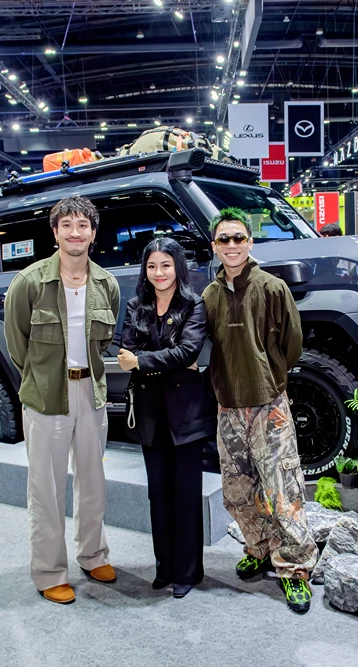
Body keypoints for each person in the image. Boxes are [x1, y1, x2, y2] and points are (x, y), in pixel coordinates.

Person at [4, 196, 121, 606]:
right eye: (67, 225)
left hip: (91, 392)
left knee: (93, 481)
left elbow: (103, 342)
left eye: (83, 225)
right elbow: (17, 343)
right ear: (54, 232)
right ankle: (50, 572)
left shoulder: (106, 284)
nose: (75, 232)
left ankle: (93, 555)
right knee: (46, 488)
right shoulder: (29, 282)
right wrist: (42, 378)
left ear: (93, 233)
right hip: (46, 395)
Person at [202, 206, 318, 614]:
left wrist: (271, 378)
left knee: (282, 489)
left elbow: (292, 343)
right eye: (224, 239)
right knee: (237, 489)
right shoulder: (210, 296)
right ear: (215, 246)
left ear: (249, 242)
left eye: (239, 238)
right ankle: (259, 547)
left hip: (269, 405)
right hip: (228, 408)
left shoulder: (272, 288)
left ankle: (295, 567)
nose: (232, 245)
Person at [117, 238, 212, 599]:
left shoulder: (194, 305)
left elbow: (188, 351)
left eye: (166, 265)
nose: (159, 273)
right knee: (158, 494)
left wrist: (143, 361)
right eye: (152, 266)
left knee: (186, 494)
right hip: (149, 413)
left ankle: (188, 572)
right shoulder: (135, 306)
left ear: (178, 268)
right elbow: (125, 351)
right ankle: (165, 568)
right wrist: (166, 360)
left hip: (186, 413)